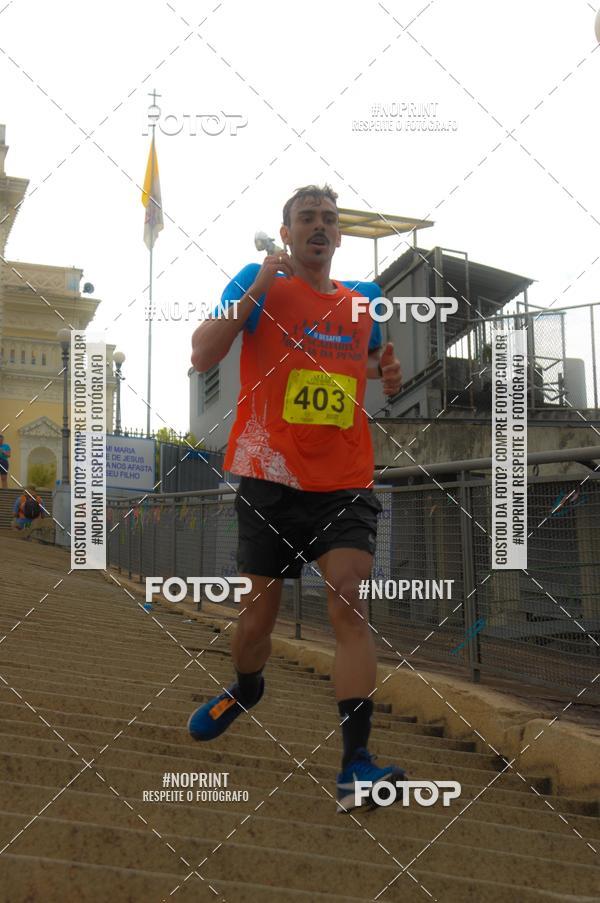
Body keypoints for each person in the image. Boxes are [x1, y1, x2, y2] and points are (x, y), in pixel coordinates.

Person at [189, 184, 404, 813]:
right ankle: (247, 687)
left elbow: (352, 364)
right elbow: (203, 351)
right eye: (306, 218)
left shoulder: (366, 301)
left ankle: (356, 766)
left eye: (329, 220)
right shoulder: (258, 282)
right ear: (286, 233)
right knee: (258, 619)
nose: (319, 226)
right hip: (269, 475)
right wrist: (260, 283)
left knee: (348, 601)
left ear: (339, 237)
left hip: (344, 479)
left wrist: (383, 372)